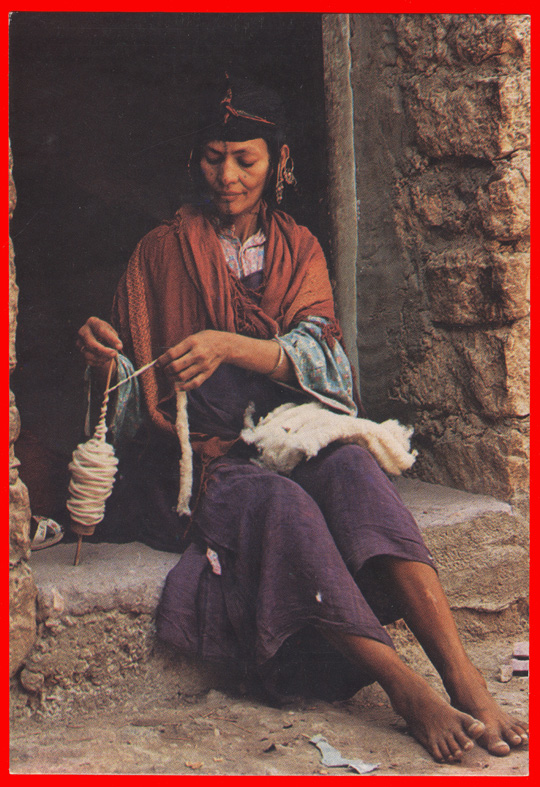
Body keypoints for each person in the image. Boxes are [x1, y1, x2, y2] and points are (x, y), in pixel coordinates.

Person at [76, 75, 528, 764]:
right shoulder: (159, 253)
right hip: (199, 467)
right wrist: (107, 361)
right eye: (211, 157)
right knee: (279, 502)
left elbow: (329, 371)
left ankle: (461, 672)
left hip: (282, 438)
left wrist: (232, 344)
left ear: (278, 163)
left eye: (245, 159)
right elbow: (133, 410)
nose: (226, 176)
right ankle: (406, 687)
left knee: (351, 465)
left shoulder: (298, 248)